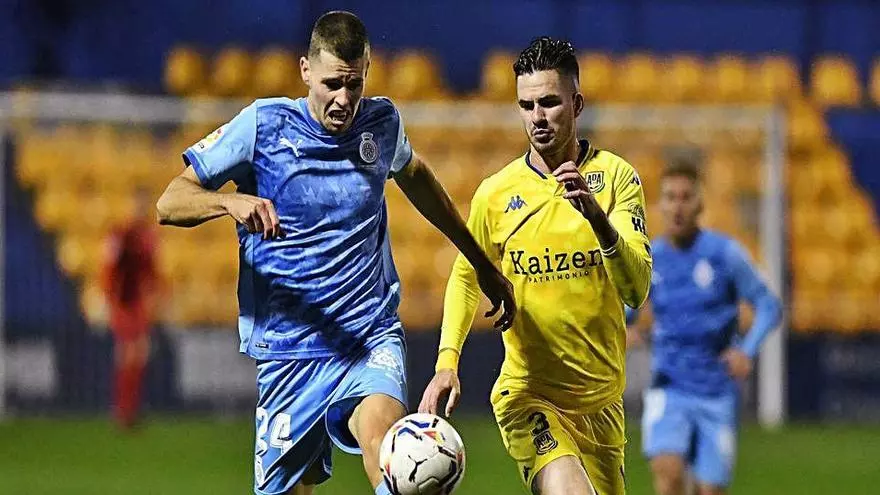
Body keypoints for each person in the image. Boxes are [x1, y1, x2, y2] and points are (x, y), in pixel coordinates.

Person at [155, 10, 514, 495]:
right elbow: (169, 202)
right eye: (331, 84)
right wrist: (228, 202)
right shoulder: (263, 126)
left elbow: (416, 176)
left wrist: (480, 262)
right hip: (290, 352)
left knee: (388, 450)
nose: (344, 98)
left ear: (367, 71)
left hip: (368, 336)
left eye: (354, 83)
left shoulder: (381, 124)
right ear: (305, 71)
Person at [419, 37, 652, 495]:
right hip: (529, 395)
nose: (537, 117)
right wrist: (447, 362)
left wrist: (598, 220)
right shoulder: (497, 193)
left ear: (577, 104)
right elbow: (467, 274)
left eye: (549, 102)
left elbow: (636, 289)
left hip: (602, 404)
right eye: (526, 106)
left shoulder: (616, 178)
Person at [626, 160, 782, 495]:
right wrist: (622, 330)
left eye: (686, 197)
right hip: (668, 386)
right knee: (668, 474)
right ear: (660, 205)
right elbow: (625, 310)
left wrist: (746, 350)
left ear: (700, 203)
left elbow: (769, 305)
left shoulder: (725, 254)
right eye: (670, 197)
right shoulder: (650, 258)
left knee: (709, 490)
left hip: (716, 391)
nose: (678, 206)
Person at [100, 188, 161, 429]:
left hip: (137, 303)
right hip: (123, 302)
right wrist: (107, 299)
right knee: (129, 354)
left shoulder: (148, 236)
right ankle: (123, 410)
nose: (140, 210)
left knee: (138, 355)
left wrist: (157, 294)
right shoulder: (121, 234)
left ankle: (130, 409)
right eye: (138, 205)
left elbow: (151, 272)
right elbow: (108, 269)